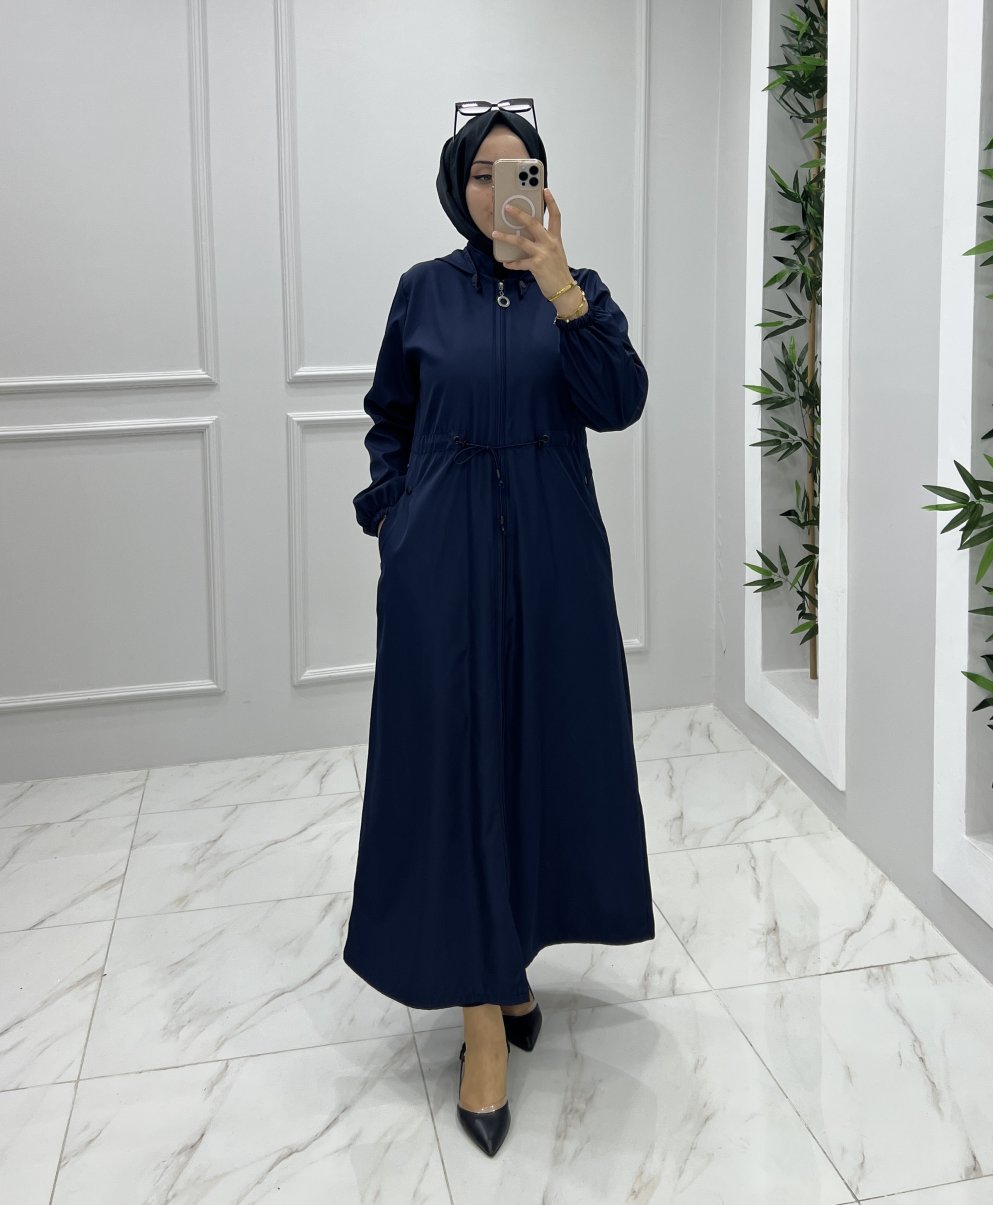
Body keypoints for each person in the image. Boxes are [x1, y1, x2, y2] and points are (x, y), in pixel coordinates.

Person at [344, 100, 656, 1157]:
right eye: (482, 172)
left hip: (555, 558)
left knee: (537, 755)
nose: (499, 191)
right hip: (442, 562)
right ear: (456, 183)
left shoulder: (578, 289)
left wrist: (563, 289)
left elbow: (618, 401)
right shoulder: (421, 290)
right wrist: (396, 517)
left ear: (543, 186)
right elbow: (389, 416)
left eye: (519, 171)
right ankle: (483, 1016)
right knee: (455, 766)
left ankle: (510, 959)